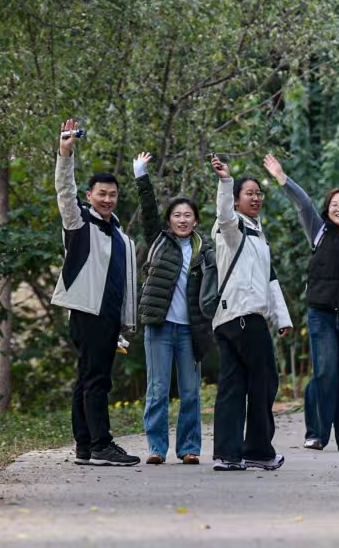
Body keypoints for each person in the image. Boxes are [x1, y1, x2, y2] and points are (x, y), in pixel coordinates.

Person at [265, 150, 339, 453]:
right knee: (325, 372)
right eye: (334, 205)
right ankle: (316, 433)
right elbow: (303, 203)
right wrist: (282, 178)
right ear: (328, 209)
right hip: (321, 315)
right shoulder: (319, 230)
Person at [51, 126, 140, 466]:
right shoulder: (79, 223)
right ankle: (102, 444)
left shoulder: (119, 234)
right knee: (97, 380)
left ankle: (85, 446)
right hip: (87, 311)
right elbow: (63, 190)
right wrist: (65, 153)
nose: (107, 199)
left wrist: (123, 321)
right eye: (101, 193)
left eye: (112, 194)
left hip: (108, 316)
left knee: (87, 378)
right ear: (89, 195)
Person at [208, 154, 294, 472]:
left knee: (233, 385)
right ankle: (258, 450)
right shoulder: (231, 229)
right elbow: (225, 216)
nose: (256, 197)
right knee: (264, 380)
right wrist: (225, 181)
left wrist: (281, 317)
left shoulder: (258, 234)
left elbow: (269, 278)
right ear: (236, 200)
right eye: (250, 193)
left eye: (259, 193)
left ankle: (229, 454)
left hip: (234, 318)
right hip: (243, 317)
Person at [133, 152, 212, 465]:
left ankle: (189, 448)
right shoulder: (159, 240)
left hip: (190, 330)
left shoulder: (202, 249)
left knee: (191, 393)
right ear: (169, 220)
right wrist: (141, 175)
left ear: (195, 220)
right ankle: (156, 447)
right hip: (160, 325)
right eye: (177, 215)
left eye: (188, 215)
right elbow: (148, 211)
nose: (182, 219)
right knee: (158, 389)